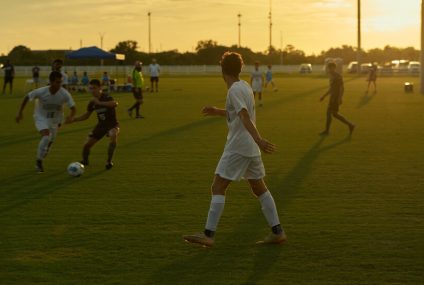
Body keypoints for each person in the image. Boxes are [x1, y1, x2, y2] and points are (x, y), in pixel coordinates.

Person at [183, 52, 286, 247]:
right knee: (259, 188)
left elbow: (244, 115)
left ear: (222, 70)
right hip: (249, 148)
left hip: (239, 146)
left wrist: (260, 140)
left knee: (218, 186)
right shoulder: (244, 86)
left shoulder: (234, 91)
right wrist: (217, 111)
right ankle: (278, 232)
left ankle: (208, 235)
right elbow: (237, 113)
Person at [15, 71, 76, 173]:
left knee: (49, 143)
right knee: (46, 137)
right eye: (57, 82)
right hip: (41, 118)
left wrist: (71, 116)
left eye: (60, 82)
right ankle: (38, 162)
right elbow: (27, 97)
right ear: (51, 82)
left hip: (56, 120)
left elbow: (73, 108)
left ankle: (44, 151)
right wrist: (20, 113)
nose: (59, 84)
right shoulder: (41, 91)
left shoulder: (64, 93)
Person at [67, 79, 119, 170]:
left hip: (112, 125)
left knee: (113, 135)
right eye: (90, 88)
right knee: (87, 145)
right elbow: (87, 115)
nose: (92, 90)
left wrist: (99, 103)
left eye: (94, 88)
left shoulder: (106, 97)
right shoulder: (92, 102)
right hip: (101, 126)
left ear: (100, 88)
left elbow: (114, 104)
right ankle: (85, 161)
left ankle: (109, 161)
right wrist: (74, 119)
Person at [320, 62, 355, 136]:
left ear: (334, 68)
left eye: (330, 68)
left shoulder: (338, 76)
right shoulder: (331, 76)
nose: (329, 69)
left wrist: (340, 98)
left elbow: (342, 88)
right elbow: (331, 88)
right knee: (334, 114)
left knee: (331, 114)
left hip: (335, 98)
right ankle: (350, 125)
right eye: (329, 68)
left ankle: (327, 131)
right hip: (332, 98)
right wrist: (324, 96)